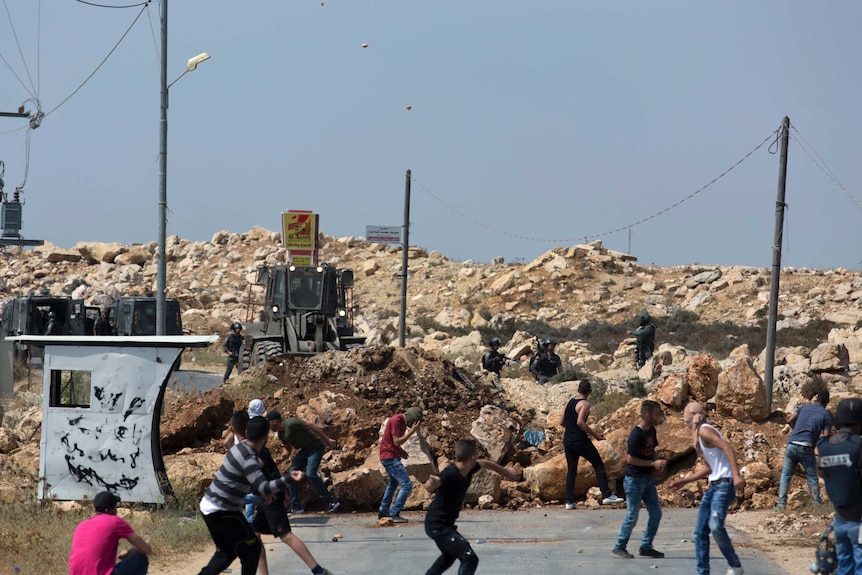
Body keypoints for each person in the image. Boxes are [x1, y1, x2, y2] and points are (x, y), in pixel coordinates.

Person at [197, 416, 302, 575]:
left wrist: (260, 490)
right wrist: (288, 479)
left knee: (227, 552)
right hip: (223, 511)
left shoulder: (237, 449)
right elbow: (264, 487)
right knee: (252, 549)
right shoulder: (249, 458)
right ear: (266, 438)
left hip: (209, 506)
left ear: (246, 432)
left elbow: (246, 479)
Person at [668, 402, 746, 575]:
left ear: (693, 416)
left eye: (686, 414)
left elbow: (727, 447)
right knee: (699, 532)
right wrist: (684, 481)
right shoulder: (699, 434)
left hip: (724, 484)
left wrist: (735, 475)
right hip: (714, 485)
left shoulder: (704, 430)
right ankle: (703, 571)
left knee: (715, 525)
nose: (684, 419)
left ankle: (735, 565)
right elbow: (711, 467)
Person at [423, 439, 521, 575]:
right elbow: (433, 484)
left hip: (443, 524)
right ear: (472, 457)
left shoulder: (470, 468)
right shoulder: (450, 473)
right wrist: (432, 483)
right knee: (469, 558)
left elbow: (485, 463)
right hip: (438, 526)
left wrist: (505, 471)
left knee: (449, 556)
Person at [252, 420, 335, 575]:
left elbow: (271, 475)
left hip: (272, 498)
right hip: (266, 498)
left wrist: (284, 494)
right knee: (255, 534)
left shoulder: (259, 453)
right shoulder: (260, 450)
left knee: (286, 536)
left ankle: (318, 571)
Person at [612, 399, 667, 559]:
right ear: (647, 415)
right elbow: (630, 459)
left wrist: (657, 463)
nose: (659, 417)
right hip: (634, 480)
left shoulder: (651, 431)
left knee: (656, 512)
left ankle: (646, 546)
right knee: (632, 515)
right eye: (656, 414)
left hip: (648, 479)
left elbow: (652, 451)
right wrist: (652, 463)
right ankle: (619, 547)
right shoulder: (636, 434)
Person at [816, 397, 862, 574]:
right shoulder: (859, 446)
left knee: (844, 566)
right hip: (859, 520)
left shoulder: (825, 446)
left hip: (839, 519)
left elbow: (821, 472)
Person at [561, 380, 623, 509]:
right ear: (590, 392)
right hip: (580, 440)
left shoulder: (569, 402)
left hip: (568, 439)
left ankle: (569, 502)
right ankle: (606, 495)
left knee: (571, 470)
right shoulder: (585, 404)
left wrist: (570, 429)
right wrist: (595, 435)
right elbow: (580, 422)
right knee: (598, 464)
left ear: (578, 390)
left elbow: (562, 421)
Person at [266, 410, 340, 514]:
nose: (268, 427)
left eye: (268, 423)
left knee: (311, 474)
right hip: (304, 450)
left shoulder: (291, 423)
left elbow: (312, 425)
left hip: (315, 446)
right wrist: (281, 458)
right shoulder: (281, 434)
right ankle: (296, 506)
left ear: (274, 421)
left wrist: (327, 441)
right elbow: (288, 449)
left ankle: (331, 501)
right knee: (292, 475)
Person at [69, 490, 152, 575]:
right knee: (141, 559)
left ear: (94, 509)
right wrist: (129, 552)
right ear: (113, 510)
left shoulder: (82, 525)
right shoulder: (115, 521)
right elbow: (146, 549)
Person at [776, 388, 832, 509]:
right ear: (827, 401)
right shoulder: (825, 415)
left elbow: (789, 419)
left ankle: (781, 504)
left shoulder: (804, 407)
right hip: (806, 447)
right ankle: (816, 504)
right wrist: (815, 436)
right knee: (811, 476)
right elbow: (826, 436)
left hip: (792, 443)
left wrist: (798, 429)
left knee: (785, 475)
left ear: (816, 398)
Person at [378, 406, 423, 523]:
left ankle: (383, 510)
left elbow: (393, 442)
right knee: (407, 484)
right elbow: (396, 441)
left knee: (393, 483)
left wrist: (401, 451)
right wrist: (412, 432)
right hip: (389, 457)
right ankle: (394, 513)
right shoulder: (396, 421)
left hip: (391, 455)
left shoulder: (401, 422)